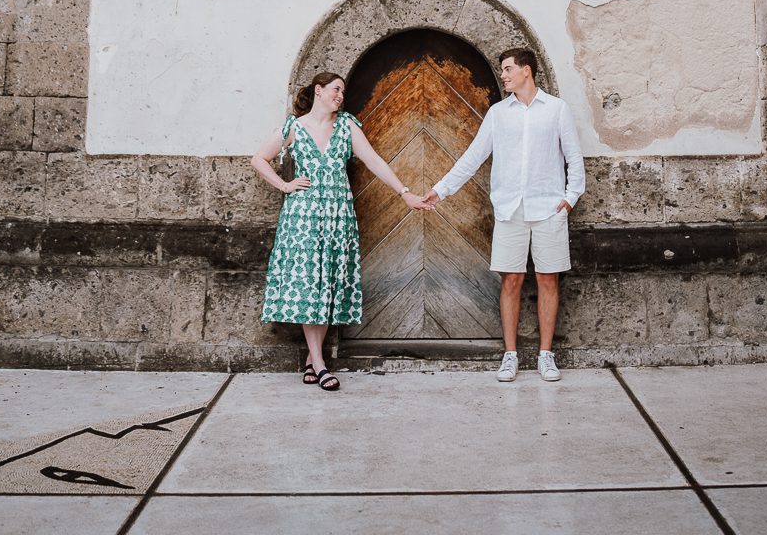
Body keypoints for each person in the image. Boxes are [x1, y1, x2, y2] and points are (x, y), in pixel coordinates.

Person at [251, 70, 429, 390]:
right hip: (303, 219)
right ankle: (319, 364)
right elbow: (259, 159)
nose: (340, 96)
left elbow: (374, 161)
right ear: (319, 91)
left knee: (326, 287)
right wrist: (285, 185)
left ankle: (311, 358)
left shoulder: (346, 126)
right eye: (336, 90)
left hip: (337, 217)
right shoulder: (293, 127)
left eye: (343, 92)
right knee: (309, 286)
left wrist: (404, 193)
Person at [424, 48, 585, 384]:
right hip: (510, 209)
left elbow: (574, 157)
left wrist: (570, 199)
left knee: (547, 280)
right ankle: (510, 355)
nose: (504, 75)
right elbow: (473, 157)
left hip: (549, 209)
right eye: (502, 70)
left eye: (509, 69)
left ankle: (546, 355)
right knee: (510, 280)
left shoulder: (556, 110)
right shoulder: (498, 114)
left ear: (527, 71)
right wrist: (440, 190)